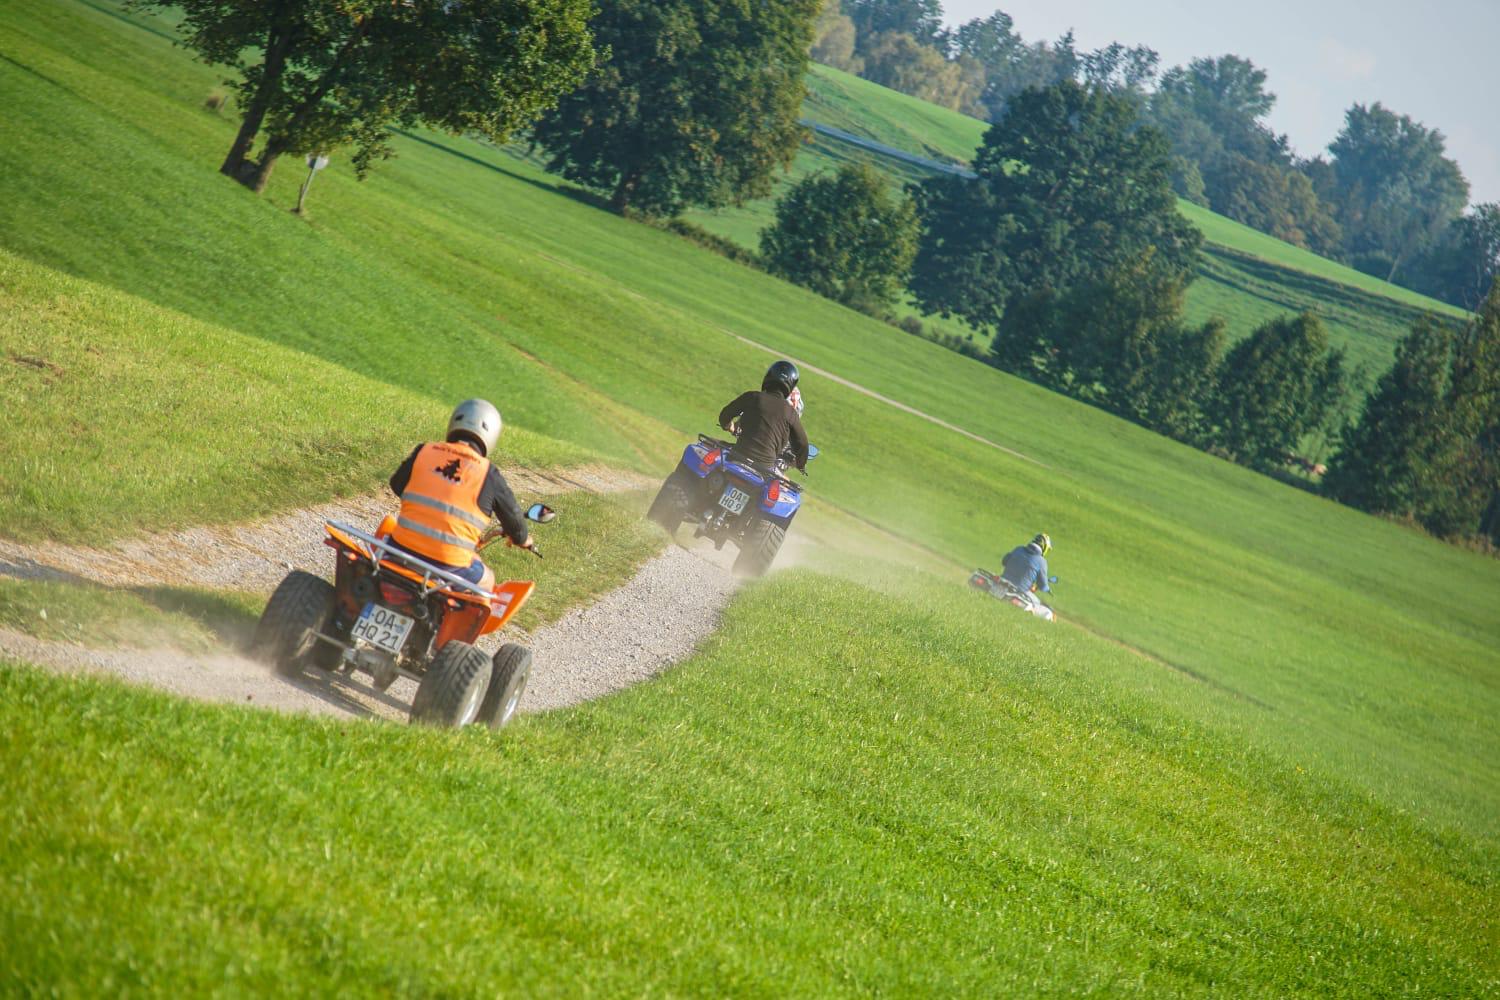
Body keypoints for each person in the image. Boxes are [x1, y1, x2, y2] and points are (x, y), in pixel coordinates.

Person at [387, 399, 535, 590]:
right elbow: (514, 518)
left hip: (399, 549)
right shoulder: (488, 474)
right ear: (491, 436)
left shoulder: (424, 450)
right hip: (449, 566)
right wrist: (522, 539)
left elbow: (396, 485)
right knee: (488, 580)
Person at [718, 359, 810, 474]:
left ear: (769, 376)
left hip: (738, 456)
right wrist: (800, 465)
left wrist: (728, 426)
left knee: (710, 454)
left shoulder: (752, 397)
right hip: (764, 469)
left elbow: (724, 415)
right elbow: (803, 444)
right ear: (791, 385)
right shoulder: (791, 413)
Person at [1000, 533, 1052, 601]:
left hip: (1002, 582)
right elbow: (1042, 586)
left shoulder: (1018, 549)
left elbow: (1004, 561)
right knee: (1038, 603)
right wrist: (1048, 589)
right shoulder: (1042, 562)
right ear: (1044, 547)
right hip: (1021, 592)